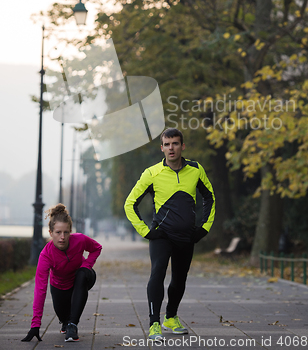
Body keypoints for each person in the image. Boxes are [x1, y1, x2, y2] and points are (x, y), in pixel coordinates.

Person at [124, 128, 215, 340]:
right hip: (162, 236)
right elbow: (130, 204)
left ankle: (171, 317)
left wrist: (203, 228)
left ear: (182, 146)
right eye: (167, 144)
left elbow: (209, 197)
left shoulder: (195, 169)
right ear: (162, 148)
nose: (171, 148)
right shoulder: (152, 173)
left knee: (180, 279)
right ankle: (154, 323)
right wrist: (146, 232)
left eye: (175, 143)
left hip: (186, 236)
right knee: (157, 273)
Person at [22, 203, 102, 343]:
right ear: (51, 233)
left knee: (81, 275)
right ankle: (66, 322)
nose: (62, 237)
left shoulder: (80, 240)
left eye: (66, 232)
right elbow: (40, 289)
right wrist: (35, 324)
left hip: (82, 278)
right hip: (60, 286)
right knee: (63, 318)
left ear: (70, 231)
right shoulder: (46, 255)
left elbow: (97, 248)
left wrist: (86, 265)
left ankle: (73, 325)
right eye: (58, 232)